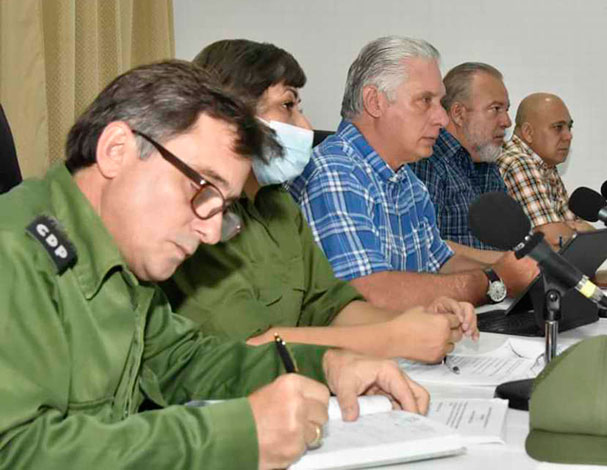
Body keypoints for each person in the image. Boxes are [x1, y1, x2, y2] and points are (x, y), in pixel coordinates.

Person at [0, 60, 428, 470]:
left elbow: (185, 362)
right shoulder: (13, 254)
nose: (208, 234)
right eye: (202, 188)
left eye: (222, 208)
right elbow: (15, 452)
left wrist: (328, 364)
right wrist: (237, 436)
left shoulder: (122, 260)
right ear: (117, 150)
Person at [161, 39, 476, 364]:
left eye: (300, 107)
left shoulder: (278, 204)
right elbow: (249, 344)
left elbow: (332, 305)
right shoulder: (199, 216)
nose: (307, 127)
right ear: (229, 115)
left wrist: (413, 320)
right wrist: (391, 337)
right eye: (287, 106)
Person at [288, 37, 538, 312]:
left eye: (439, 102)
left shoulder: (408, 182)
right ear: (375, 102)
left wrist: (517, 269)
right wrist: (493, 281)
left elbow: (442, 262)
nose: (442, 119)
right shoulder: (335, 173)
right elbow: (369, 294)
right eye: (425, 101)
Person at [410, 62, 509, 250]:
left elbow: (507, 237)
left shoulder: (487, 163)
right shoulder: (428, 160)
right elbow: (426, 249)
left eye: (506, 109)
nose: (507, 121)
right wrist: (503, 263)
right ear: (458, 114)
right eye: (496, 109)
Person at [499, 93, 593, 248]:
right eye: (558, 127)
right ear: (528, 132)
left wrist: (573, 228)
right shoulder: (518, 162)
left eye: (569, 127)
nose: (568, 136)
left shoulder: (546, 166)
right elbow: (552, 237)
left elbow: (569, 227)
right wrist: (578, 229)